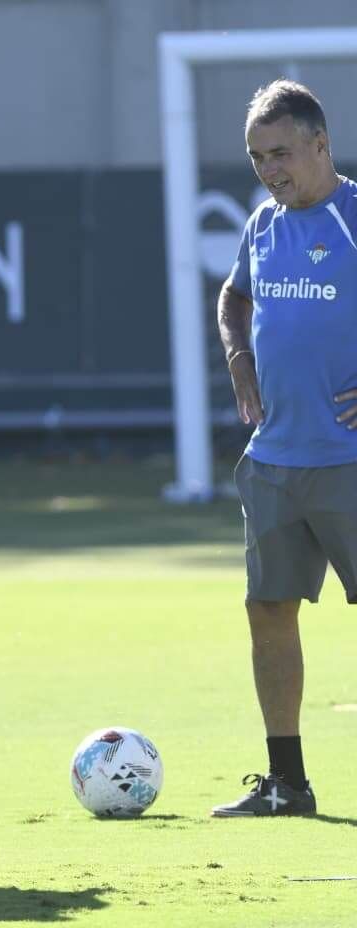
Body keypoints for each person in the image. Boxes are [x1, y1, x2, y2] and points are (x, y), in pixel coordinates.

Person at [212, 79, 357, 818]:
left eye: (281, 152)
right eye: (256, 156)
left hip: (350, 464)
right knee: (268, 611)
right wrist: (239, 359)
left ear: (321, 145)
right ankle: (286, 785)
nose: (269, 169)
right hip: (275, 462)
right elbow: (234, 298)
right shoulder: (263, 225)